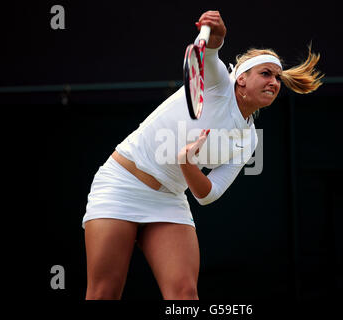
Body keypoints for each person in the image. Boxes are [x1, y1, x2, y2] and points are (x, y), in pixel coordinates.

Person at [82, 10, 323, 300]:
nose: (274, 81)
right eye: (265, 73)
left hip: (169, 198)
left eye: (277, 78)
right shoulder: (218, 83)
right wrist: (218, 32)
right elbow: (210, 51)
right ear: (241, 79)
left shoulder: (248, 140)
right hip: (121, 184)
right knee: (104, 293)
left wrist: (187, 163)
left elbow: (207, 194)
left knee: (184, 295)